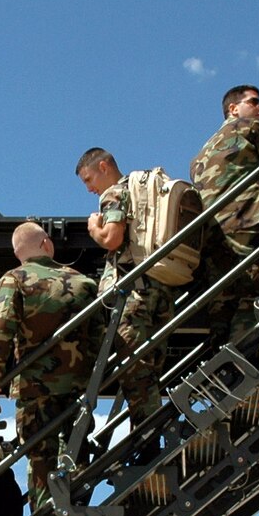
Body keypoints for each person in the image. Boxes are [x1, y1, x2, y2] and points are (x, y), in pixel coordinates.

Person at [0, 221, 101, 509]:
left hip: (35, 386)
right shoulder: (84, 282)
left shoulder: (15, 279)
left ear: (17, 253)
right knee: (76, 443)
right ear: (47, 244)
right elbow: (99, 335)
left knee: (40, 455)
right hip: (78, 384)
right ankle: (79, 501)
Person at [189, 85, 259, 349]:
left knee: (223, 302)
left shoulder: (200, 155)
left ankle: (223, 362)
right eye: (255, 101)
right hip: (246, 224)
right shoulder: (248, 128)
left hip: (213, 237)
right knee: (255, 293)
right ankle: (250, 363)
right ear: (233, 109)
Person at [80, 148, 177, 426]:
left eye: (88, 179)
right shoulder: (145, 194)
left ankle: (146, 439)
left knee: (135, 370)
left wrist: (94, 229)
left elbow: (111, 238)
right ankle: (151, 432)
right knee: (151, 368)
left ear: (103, 166)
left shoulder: (114, 193)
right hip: (161, 287)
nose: (89, 188)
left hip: (133, 294)